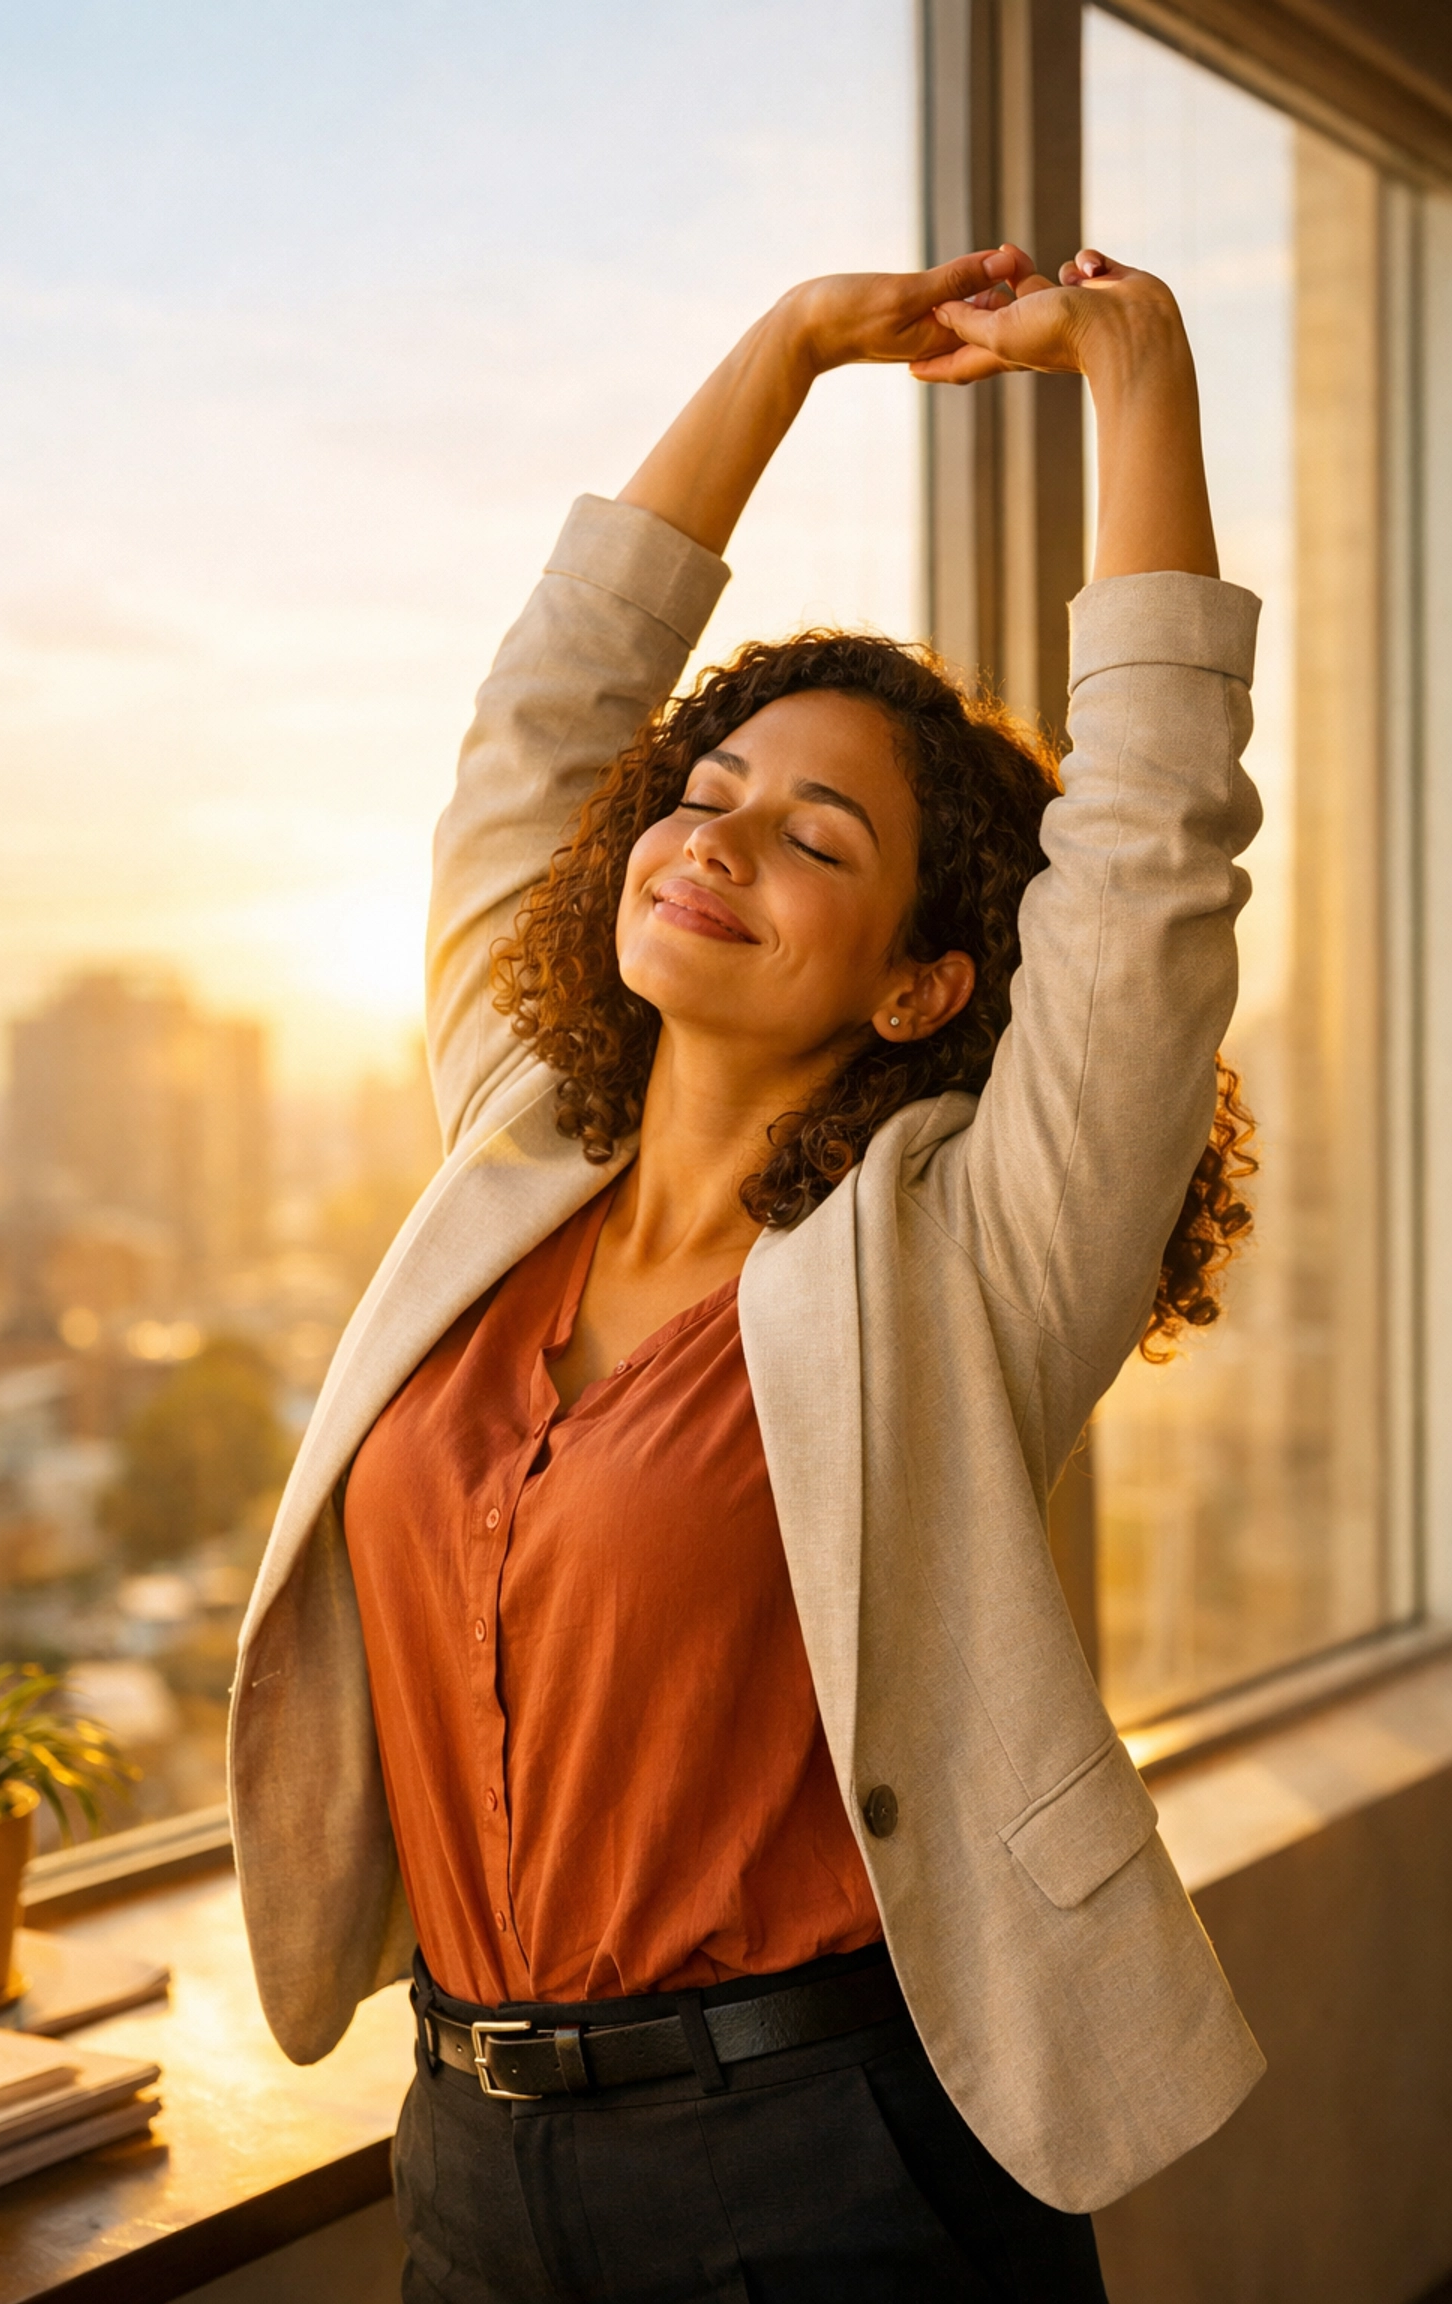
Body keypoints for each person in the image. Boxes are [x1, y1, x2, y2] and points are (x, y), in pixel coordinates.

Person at [230, 241, 1266, 2302]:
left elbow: (1148, 849)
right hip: (466, 2153)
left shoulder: (969, 1261)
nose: (717, 840)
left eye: (816, 839)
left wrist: (1138, 372)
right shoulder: (514, 1148)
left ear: (922, 984)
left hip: (832, 2175)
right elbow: (547, 715)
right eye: (704, 798)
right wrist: (788, 348)